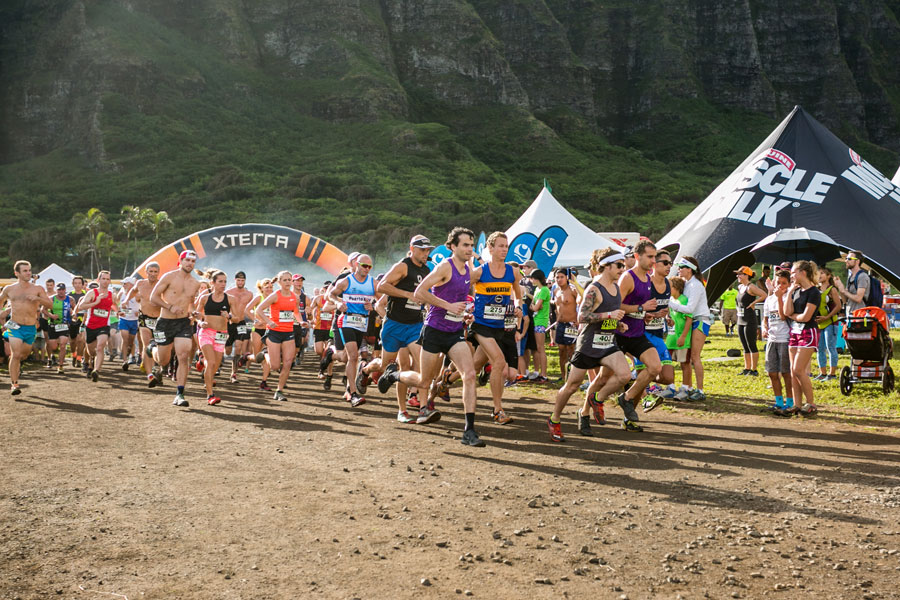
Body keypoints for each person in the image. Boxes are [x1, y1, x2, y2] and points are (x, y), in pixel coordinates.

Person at [379, 227, 484, 447]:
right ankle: (394, 375)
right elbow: (420, 293)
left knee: (470, 374)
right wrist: (449, 306)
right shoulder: (443, 267)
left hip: (454, 332)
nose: (469, 249)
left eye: (471, 245)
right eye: (465, 245)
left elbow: (476, 278)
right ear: (452, 247)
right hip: (434, 330)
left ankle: (469, 431)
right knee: (425, 381)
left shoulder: (467, 269)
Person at [547, 248, 631, 441]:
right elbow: (582, 316)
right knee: (571, 386)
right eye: (619, 266)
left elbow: (609, 315)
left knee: (624, 375)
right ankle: (555, 419)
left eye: (623, 266)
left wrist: (618, 323)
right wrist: (609, 316)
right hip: (588, 345)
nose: (621, 269)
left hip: (608, 342)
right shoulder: (594, 289)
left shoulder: (616, 288)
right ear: (606, 266)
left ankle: (596, 399)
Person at [359, 236, 432, 423]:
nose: (426, 253)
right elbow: (382, 286)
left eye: (428, 250)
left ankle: (423, 409)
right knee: (387, 366)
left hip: (415, 326)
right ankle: (366, 370)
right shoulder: (403, 266)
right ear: (412, 249)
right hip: (394, 324)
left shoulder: (427, 270)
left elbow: (425, 296)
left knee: (421, 366)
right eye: (422, 250)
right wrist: (408, 294)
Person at [469, 232, 521, 423]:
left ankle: (443, 383)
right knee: (499, 362)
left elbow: (518, 294)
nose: (504, 249)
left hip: (499, 326)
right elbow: (462, 288)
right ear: (490, 248)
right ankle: (498, 410)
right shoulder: (480, 272)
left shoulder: (512, 271)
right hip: (481, 325)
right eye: (500, 246)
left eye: (506, 246)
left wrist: (518, 306)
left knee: (473, 366)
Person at [614, 240, 662, 430]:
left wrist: (645, 315)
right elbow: (614, 305)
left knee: (655, 367)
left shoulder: (648, 279)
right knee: (603, 379)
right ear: (637, 256)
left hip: (637, 333)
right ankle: (585, 412)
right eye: (650, 257)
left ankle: (626, 399)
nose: (653, 261)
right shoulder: (627, 277)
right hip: (619, 333)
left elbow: (636, 309)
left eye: (654, 257)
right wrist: (641, 308)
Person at [149, 250, 202, 407]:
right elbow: (154, 297)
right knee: (163, 360)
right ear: (181, 261)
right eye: (187, 260)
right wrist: (169, 306)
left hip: (183, 323)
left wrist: (193, 311)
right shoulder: (169, 277)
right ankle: (152, 348)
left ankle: (180, 393)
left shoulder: (195, 283)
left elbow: (190, 302)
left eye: (193, 261)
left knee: (183, 355)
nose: (190, 263)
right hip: (165, 321)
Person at [329, 256, 376, 407]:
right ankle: (353, 393)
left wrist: (373, 305)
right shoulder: (347, 280)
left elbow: (384, 299)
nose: (366, 269)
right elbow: (330, 294)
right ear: (356, 265)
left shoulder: (372, 282)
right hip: (346, 321)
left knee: (351, 358)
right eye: (364, 265)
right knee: (354, 356)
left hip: (362, 323)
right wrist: (337, 303)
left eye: (369, 266)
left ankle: (349, 388)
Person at [0, 261, 52, 394]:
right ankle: (14, 384)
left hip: (30, 328)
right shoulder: (9, 289)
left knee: (23, 355)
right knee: (16, 354)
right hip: (15, 326)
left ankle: (18, 367)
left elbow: (50, 305)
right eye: (25, 271)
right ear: (17, 273)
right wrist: (2, 313)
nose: (29, 273)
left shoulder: (38, 289)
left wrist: (37, 299)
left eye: (29, 270)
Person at [781, 260, 821, 417]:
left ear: (803, 273)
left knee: (799, 369)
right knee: (793, 371)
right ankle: (797, 404)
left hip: (808, 332)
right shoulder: (796, 291)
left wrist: (793, 316)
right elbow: (786, 312)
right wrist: (790, 292)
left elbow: (806, 317)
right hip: (795, 332)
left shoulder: (813, 292)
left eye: (793, 272)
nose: (791, 275)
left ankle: (811, 403)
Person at [256, 271, 305, 401]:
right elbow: (259, 309)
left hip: (289, 332)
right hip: (274, 333)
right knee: (275, 366)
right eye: (285, 280)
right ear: (279, 282)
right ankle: (264, 354)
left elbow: (295, 312)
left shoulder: (295, 297)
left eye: (290, 280)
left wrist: (301, 322)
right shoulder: (275, 296)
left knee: (288, 363)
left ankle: (279, 390)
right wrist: (269, 321)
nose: (288, 282)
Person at [669, 256, 711, 401]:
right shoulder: (687, 284)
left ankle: (700, 390)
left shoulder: (695, 285)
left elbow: (689, 309)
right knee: (688, 358)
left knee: (694, 357)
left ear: (689, 269)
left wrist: (670, 304)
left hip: (700, 321)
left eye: (681, 267)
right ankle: (690, 387)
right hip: (693, 321)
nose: (678, 269)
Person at [195, 270, 233, 405]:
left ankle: (202, 363)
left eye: (225, 282)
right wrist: (200, 322)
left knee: (215, 366)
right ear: (213, 283)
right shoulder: (205, 298)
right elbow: (197, 314)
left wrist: (229, 316)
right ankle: (210, 395)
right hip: (206, 333)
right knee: (211, 363)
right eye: (220, 281)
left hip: (221, 334)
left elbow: (238, 318)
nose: (223, 284)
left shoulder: (230, 299)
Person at [75, 271, 118, 382]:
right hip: (91, 326)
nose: (106, 281)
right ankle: (90, 362)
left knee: (100, 347)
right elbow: (81, 306)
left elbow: (114, 305)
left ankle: (96, 371)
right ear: (98, 280)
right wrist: (96, 302)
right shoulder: (92, 293)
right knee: (91, 351)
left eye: (108, 279)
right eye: (103, 278)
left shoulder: (111, 295)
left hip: (104, 325)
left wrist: (119, 311)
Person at [761, 270, 793, 412]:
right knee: (772, 372)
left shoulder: (788, 298)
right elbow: (766, 318)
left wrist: (780, 298)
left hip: (785, 338)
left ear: (789, 284)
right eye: (778, 283)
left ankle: (790, 401)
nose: (780, 286)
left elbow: (783, 316)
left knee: (786, 372)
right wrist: (764, 327)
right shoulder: (769, 299)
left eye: (784, 283)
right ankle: (778, 401)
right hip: (772, 339)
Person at [126, 263, 161, 384]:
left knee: (159, 347)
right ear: (146, 272)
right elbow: (133, 291)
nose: (153, 274)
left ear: (158, 273)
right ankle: (150, 375)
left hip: (159, 319)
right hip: (144, 318)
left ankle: (157, 369)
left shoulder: (162, 284)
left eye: (155, 271)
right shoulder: (140, 283)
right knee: (147, 345)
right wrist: (126, 300)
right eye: (150, 271)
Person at [664, 276, 692, 398]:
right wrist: (668, 319)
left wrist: (683, 336)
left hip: (682, 339)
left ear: (676, 288)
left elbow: (689, 319)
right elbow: (669, 315)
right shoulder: (671, 300)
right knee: (667, 362)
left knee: (684, 364)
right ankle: (670, 387)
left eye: (669, 287)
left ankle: (685, 388)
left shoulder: (684, 300)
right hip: (671, 338)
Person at [734, 266, 766, 376]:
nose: (738, 276)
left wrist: (754, 303)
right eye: (737, 274)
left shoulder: (750, 287)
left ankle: (754, 369)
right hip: (740, 319)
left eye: (740, 274)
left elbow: (764, 295)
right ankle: (746, 368)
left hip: (749, 320)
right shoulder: (739, 287)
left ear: (746, 275)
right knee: (744, 345)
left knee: (751, 344)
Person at [224, 271, 254, 384]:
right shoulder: (228, 293)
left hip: (241, 322)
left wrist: (253, 319)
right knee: (227, 351)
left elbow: (250, 309)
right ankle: (222, 360)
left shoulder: (249, 294)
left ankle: (233, 374)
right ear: (235, 280)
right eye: (238, 280)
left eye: (242, 280)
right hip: (229, 323)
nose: (240, 282)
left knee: (238, 348)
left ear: (245, 281)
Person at [814, 267, 843, 381]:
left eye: (822, 273)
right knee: (819, 348)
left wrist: (827, 317)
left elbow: (838, 306)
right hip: (819, 323)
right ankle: (822, 373)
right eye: (818, 274)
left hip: (830, 323)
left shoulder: (832, 290)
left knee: (831, 347)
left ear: (828, 276)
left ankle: (832, 373)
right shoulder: (815, 289)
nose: (819, 275)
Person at [552, 269, 579, 382]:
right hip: (560, 324)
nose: (559, 279)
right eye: (557, 277)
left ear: (567, 277)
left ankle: (573, 376)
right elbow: (557, 308)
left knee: (571, 350)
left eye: (561, 277)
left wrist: (578, 320)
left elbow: (581, 303)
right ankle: (563, 376)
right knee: (561, 350)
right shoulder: (556, 291)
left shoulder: (573, 290)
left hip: (571, 324)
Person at [528, 270, 551, 383]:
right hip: (536, 320)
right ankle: (541, 374)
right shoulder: (538, 289)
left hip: (541, 321)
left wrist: (534, 306)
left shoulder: (544, 290)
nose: (531, 280)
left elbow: (535, 307)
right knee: (538, 348)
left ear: (536, 278)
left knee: (541, 348)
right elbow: (534, 304)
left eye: (532, 278)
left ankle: (544, 375)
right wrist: (535, 305)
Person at [45, 282, 72, 374]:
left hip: (64, 325)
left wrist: (74, 315)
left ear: (65, 290)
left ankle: (60, 366)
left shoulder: (70, 299)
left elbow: (75, 309)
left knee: (63, 344)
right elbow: (43, 310)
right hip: (53, 325)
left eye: (62, 289)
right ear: (56, 290)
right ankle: (52, 356)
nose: (61, 291)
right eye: (59, 290)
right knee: (53, 346)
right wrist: (51, 315)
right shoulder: (51, 299)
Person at [836, 250, 868, 315]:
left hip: (860, 317)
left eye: (849, 259)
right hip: (851, 316)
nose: (846, 261)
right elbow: (845, 301)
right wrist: (840, 288)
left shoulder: (862, 276)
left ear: (857, 261)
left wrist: (844, 291)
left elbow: (858, 298)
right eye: (846, 259)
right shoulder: (850, 277)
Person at [117, 277, 140, 369]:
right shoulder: (121, 293)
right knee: (125, 339)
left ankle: (132, 356)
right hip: (123, 319)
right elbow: (116, 304)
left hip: (134, 320)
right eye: (123, 283)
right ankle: (124, 360)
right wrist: (118, 312)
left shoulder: (137, 295)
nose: (123, 285)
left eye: (125, 283)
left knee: (131, 341)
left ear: (131, 285)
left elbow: (144, 304)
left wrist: (139, 311)